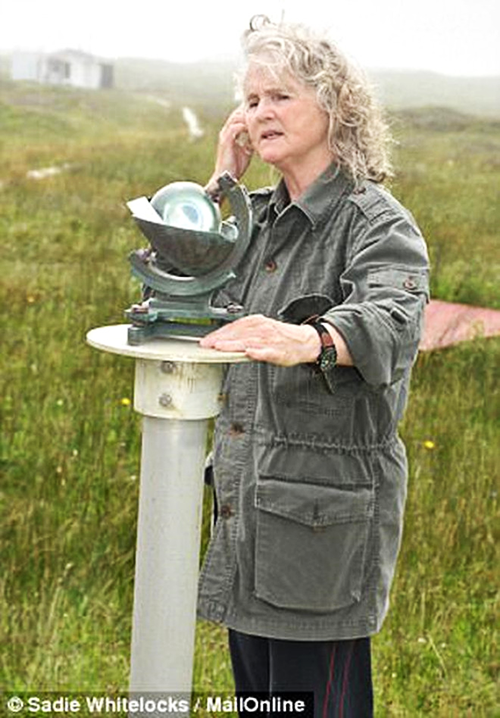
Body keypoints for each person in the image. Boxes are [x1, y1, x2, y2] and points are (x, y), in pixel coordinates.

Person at [197, 15, 429, 717]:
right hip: (248, 515)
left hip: (320, 536)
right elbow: (178, 291)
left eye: (281, 96)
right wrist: (221, 184)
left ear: (335, 107)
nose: (260, 112)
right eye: (251, 100)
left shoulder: (375, 222)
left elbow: (395, 319)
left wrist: (311, 339)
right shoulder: (252, 219)